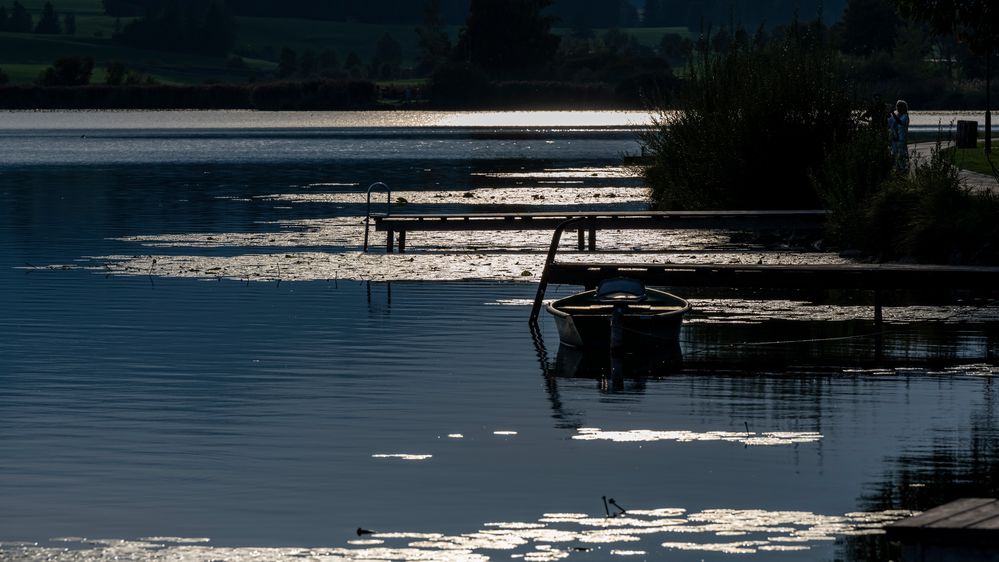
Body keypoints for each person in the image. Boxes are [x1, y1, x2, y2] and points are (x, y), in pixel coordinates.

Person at [888, 100, 910, 172]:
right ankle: (898, 169)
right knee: (894, 154)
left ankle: (904, 168)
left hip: (901, 138)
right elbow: (889, 122)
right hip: (894, 138)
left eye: (900, 106)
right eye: (897, 106)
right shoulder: (896, 116)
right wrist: (888, 112)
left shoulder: (905, 116)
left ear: (904, 107)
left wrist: (892, 113)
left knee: (901, 154)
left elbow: (900, 122)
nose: (898, 108)